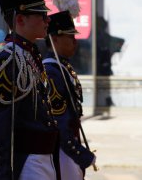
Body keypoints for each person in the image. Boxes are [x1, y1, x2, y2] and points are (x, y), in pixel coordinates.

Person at [0, 0, 60, 180]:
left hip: (44, 158)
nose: (48, 20)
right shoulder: (9, 59)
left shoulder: (30, 54)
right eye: (42, 15)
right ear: (20, 19)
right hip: (27, 162)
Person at [43, 11, 96, 180]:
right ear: (55, 39)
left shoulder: (62, 67)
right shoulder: (52, 71)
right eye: (70, 37)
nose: (75, 42)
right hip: (62, 150)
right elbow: (60, 123)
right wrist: (79, 154)